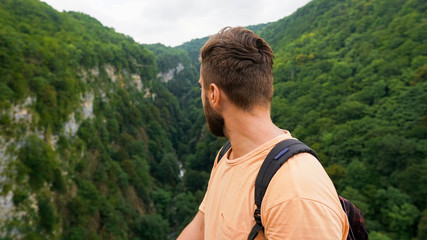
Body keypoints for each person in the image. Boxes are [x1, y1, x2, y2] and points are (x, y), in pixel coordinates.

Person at [177, 27, 349, 240]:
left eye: (202, 88)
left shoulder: (296, 191)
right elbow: (201, 228)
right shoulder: (227, 156)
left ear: (213, 94)